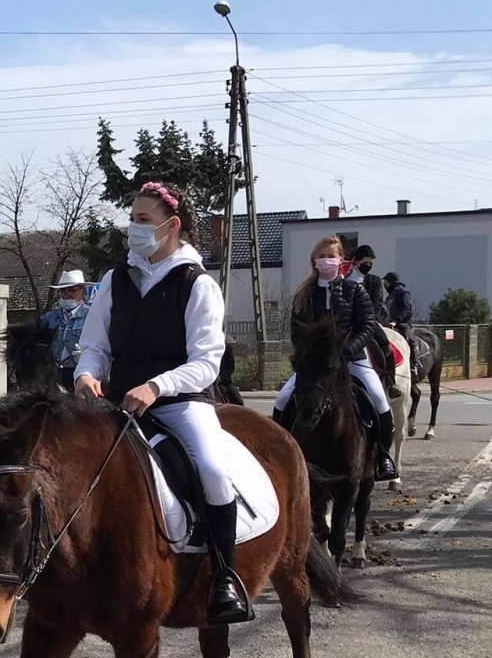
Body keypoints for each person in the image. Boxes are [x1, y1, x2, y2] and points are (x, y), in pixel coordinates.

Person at [73, 181, 254, 626]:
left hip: (180, 402)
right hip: (118, 403)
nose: (132, 228)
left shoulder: (197, 283)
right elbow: (94, 344)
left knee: (212, 470)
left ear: (171, 226)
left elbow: (207, 362)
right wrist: (86, 373)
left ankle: (224, 576)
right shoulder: (117, 279)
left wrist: (156, 387)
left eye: (142, 221)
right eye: (132, 219)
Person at [271, 235, 400, 482]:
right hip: (317, 367)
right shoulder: (305, 294)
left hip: (352, 360)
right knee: (282, 399)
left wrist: (347, 351)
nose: (326, 261)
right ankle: (282, 454)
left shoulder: (355, 290)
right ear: (314, 261)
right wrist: (310, 356)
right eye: (321, 256)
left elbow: (367, 325)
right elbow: (296, 330)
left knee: (379, 400)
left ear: (341, 260)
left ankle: (383, 456)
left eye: (331, 256)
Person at [348, 243, 397, 384]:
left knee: (385, 345)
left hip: (367, 322)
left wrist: (366, 318)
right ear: (356, 261)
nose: (368, 266)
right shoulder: (345, 279)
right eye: (366, 262)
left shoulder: (374, 281)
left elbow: (376, 303)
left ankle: (390, 380)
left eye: (371, 263)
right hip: (345, 322)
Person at [39, 270, 93, 392]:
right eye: (63, 291)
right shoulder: (49, 318)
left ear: (83, 292)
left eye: (72, 290)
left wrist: (85, 356)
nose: (67, 294)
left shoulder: (92, 316)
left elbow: (102, 345)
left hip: (81, 374)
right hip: (54, 374)